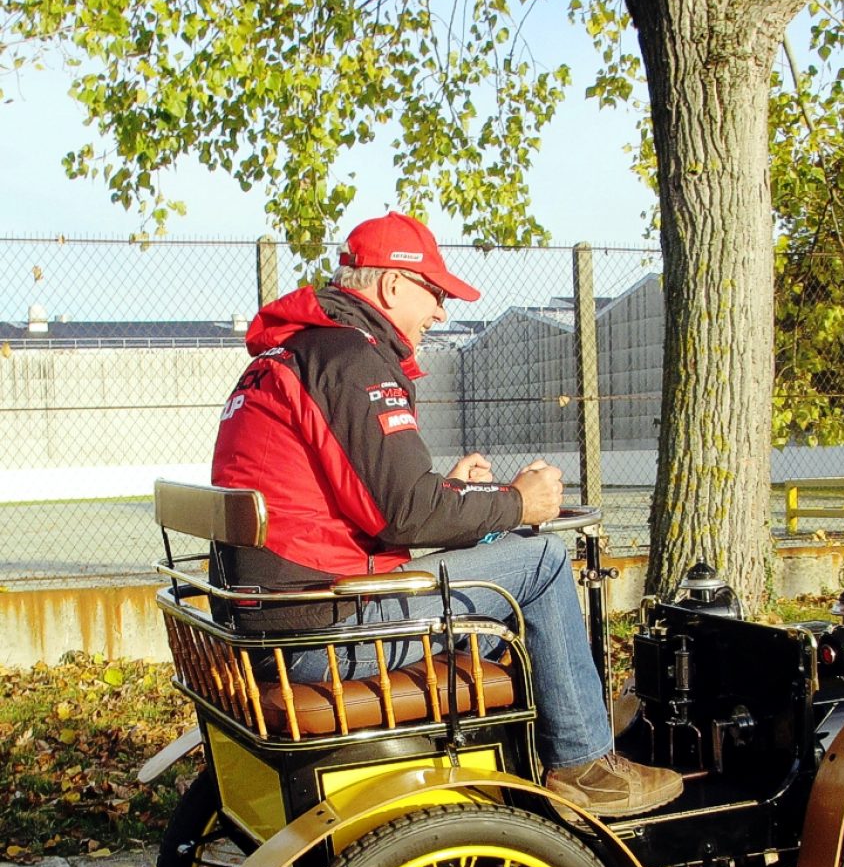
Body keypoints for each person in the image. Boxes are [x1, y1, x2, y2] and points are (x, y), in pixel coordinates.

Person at [211, 210, 682, 818]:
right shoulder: (349, 359)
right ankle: (584, 761)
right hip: (322, 633)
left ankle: (519, 749)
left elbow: (360, 502)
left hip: (275, 619)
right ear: (391, 286)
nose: (439, 312)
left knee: (489, 557)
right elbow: (407, 513)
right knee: (539, 559)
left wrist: (456, 492)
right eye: (434, 294)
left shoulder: (294, 354)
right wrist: (520, 503)